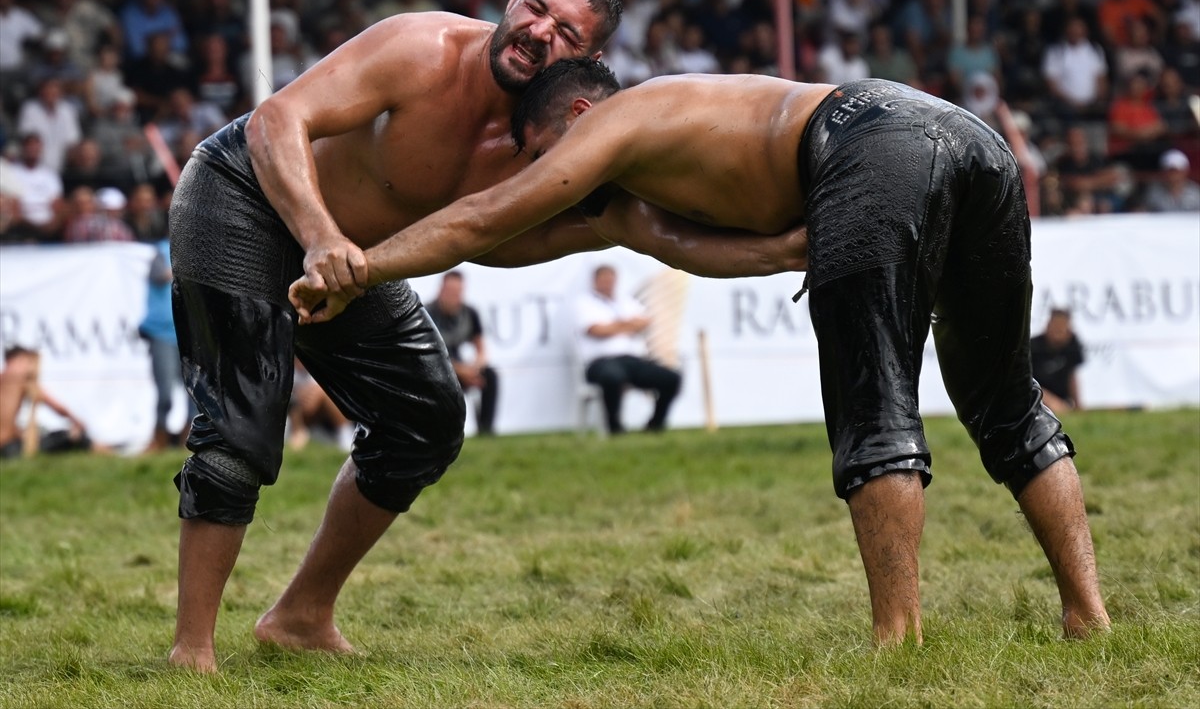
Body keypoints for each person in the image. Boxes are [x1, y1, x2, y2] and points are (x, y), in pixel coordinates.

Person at [291, 62, 1110, 646]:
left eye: (542, 153)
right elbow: (680, 247)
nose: (549, 175)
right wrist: (790, 247)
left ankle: (899, 640)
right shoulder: (658, 149)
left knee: (873, 407)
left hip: (867, 144)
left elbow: (485, 219)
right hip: (965, 140)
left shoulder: (614, 123)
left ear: (579, 114)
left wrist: (359, 266)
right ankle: (1088, 615)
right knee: (1004, 400)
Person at [164, 0, 625, 674]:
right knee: (240, 428)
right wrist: (320, 236)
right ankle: (191, 650)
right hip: (244, 194)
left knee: (426, 419)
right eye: (536, 9)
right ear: (512, 0)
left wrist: (773, 240)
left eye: (566, 32)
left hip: (353, 257)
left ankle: (300, 616)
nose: (539, 33)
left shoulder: (545, 141)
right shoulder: (422, 48)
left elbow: (497, 239)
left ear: (588, 62)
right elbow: (277, 118)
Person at [573, 264, 681, 434]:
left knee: (671, 378)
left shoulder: (625, 301)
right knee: (612, 377)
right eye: (604, 279)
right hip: (600, 362)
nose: (608, 283)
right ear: (595, 281)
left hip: (631, 360)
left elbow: (644, 322)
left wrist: (614, 326)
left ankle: (655, 426)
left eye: (611, 279)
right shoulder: (584, 303)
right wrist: (627, 325)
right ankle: (615, 428)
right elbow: (596, 330)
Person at [425, 271, 499, 436]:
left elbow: (481, 349)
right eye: (450, 293)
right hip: (436, 369)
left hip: (461, 367)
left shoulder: (469, 313)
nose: (455, 298)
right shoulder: (427, 313)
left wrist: (475, 368)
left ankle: (486, 429)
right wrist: (460, 371)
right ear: (441, 290)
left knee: (490, 376)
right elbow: (429, 356)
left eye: (458, 293)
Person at [140, 236, 192, 452]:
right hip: (162, 333)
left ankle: (189, 438)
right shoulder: (161, 251)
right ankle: (159, 437)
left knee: (194, 391)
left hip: (189, 333)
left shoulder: (195, 251)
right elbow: (159, 275)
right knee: (165, 393)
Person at [0, 346, 89, 458]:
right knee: (71, 436)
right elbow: (57, 408)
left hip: (6, 445)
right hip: (9, 447)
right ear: (18, 360)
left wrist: (21, 434)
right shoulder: (21, 380)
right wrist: (77, 421)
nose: (29, 366)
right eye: (27, 361)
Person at [1030, 309, 1085, 416]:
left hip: (1063, 401)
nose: (1058, 334)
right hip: (1036, 397)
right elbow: (1029, 382)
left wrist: (1078, 407)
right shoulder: (1034, 347)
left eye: (1061, 329)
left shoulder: (1072, 345)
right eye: (1056, 328)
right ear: (1048, 326)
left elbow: (1072, 377)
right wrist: (1050, 401)